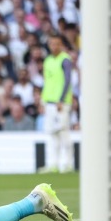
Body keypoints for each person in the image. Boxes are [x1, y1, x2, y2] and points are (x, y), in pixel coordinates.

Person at [41, 33, 74, 173]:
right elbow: (47, 82)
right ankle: (54, 164)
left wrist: (61, 99)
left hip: (61, 103)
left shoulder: (65, 60)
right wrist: (42, 100)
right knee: (53, 134)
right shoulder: (47, 60)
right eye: (52, 44)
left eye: (56, 44)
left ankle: (68, 164)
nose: (54, 46)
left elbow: (67, 80)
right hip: (49, 101)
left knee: (63, 132)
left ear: (61, 45)